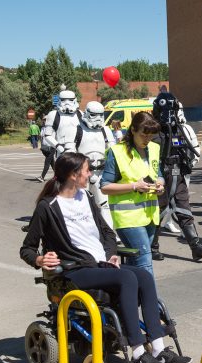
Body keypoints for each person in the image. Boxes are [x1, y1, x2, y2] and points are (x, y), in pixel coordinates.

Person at [20, 152, 191, 363]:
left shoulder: (86, 198)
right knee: (127, 278)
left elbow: (107, 233)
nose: (90, 174)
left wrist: (111, 254)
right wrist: (40, 259)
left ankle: (158, 349)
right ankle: (139, 353)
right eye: (87, 170)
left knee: (144, 276)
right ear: (73, 175)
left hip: (100, 265)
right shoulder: (48, 206)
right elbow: (27, 248)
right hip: (75, 270)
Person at [100, 112, 165, 277]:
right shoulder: (117, 152)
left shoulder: (154, 148)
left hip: (150, 215)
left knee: (135, 262)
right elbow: (105, 186)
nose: (147, 139)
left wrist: (160, 185)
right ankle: (152, 302)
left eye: (151, 136)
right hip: (128, 217)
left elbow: (159, 174)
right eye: (144, 135)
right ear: (133, 130)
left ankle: (128, 296)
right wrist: (135, 186)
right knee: (145, 261)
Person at [150, 93, 202, 262]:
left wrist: (188, 162)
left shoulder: (180, 130)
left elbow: (188, 149)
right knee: (159, 213)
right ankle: (152, 247)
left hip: (178, 175)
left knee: (184, 209)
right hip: (160, 177)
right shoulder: (152, 131)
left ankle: (196, 247)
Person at [77, 101, 116, 229]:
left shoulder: (105, 130)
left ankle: (109, 232)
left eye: (101, 115)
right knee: (80, 203)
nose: (98, 118)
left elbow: (113, 151)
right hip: (81, 173)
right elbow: (69, 152)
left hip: (100, 172)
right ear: (87, 113)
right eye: (94, 115)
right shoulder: (78, 129)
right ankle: (82, 232)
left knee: (104, 203)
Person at [42, 88, 82, 156]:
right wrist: (58, 147)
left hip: (77, 150)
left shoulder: (80, 114)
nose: (67, 103)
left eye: (70, 100)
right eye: (63, 100)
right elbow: (47, 135)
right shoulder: (53, 114)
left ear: (74, 100)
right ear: (59, 100)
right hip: (61, 150)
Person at [37, 117, 55, 183]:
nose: (44, 121)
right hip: (45, 148)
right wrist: (41, 146)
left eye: (45, 120)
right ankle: (58, 175)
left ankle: (42, 177)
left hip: (51, 147)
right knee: (52, 162)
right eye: (43, 120)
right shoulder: (42, 128)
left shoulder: (53, 129)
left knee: (47, 162)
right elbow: (41, 137)